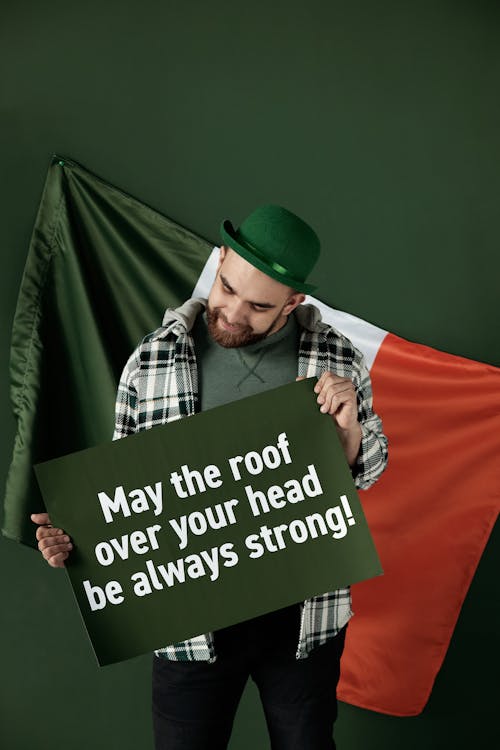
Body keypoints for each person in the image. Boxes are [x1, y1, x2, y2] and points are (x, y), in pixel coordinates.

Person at [32, 204, 388, 750]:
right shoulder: (153, 358)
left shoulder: (336, 360)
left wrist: (350, 438)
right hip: (188, 622)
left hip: (301, 618)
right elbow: (126, 491)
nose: (233, 314)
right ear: (218, 260)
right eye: (227, 288)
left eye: (259, 306)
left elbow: (368, 473)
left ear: (293, 303)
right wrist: (75, 538)